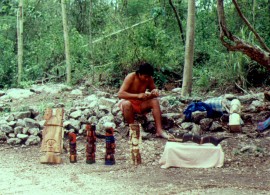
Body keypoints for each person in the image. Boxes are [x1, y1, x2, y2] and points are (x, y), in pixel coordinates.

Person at [118, 61, 173, 139]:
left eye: (149, 77)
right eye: (145, 76)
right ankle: (133, 130)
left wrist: (155, 91)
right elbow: (120, 94)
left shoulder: (149, 78)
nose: (147, 79)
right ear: (139, 73)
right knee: (126, 104)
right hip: (128, 102)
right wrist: (137, 95)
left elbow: (153, 89)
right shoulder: (131, 77)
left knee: (155, 101)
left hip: (140, 103)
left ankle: (159, 130)